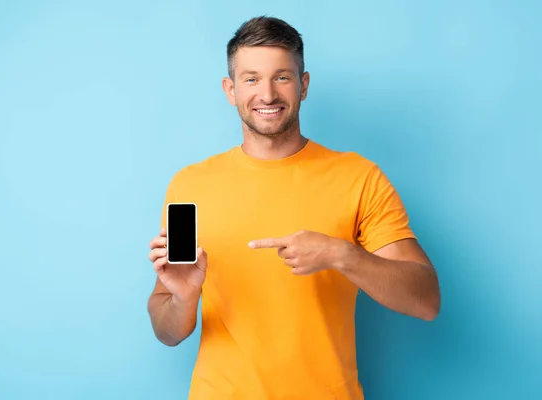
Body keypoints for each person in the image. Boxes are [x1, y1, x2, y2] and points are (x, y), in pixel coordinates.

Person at [147, 16, 441, 400]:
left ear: (303, 85)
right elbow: (167, 332)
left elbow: (427, 301)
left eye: (282, 77)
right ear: (230, 89)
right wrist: (183, 299)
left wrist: (342, 254)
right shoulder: (189, 185)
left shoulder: (359, 177)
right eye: (251, 79)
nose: (267, 94)